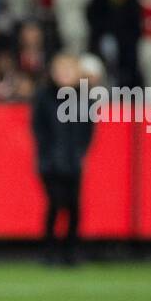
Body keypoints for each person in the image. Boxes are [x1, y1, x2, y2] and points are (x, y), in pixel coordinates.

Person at [31, 53, 93, 266]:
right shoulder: (44, 97)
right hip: (50, 162)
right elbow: (38, 129)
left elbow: (87, 131)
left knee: (74, 207)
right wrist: (46, 156)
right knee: (56, 204)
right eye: (61, 70)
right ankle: (49, 250)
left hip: (73, 162)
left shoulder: (84, 98)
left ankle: (71, 251)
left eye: (69, 70)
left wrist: (80, 154)